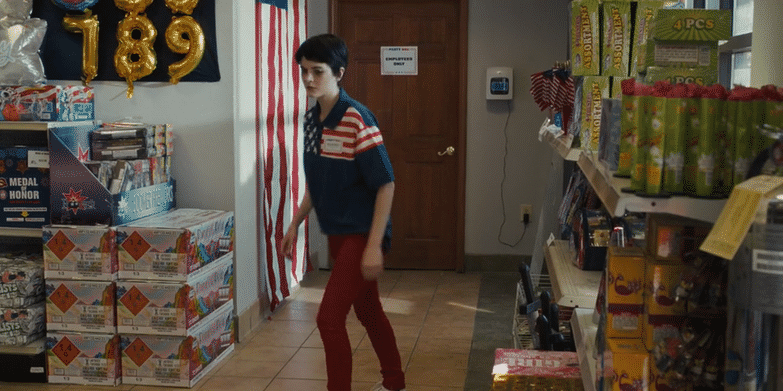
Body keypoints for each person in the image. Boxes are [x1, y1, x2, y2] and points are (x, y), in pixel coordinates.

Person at [280, 34, 406, 391]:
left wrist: (373, 245)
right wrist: (295, 223)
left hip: (361, 233)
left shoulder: (356, 118)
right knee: (368, 311)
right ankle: (394, 383)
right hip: (337, 231)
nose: (308, 79)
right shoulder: (310, 122)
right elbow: (319, 184)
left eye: (317, 71)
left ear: (339, 72)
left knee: (328, 319)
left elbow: (386, 184)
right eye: (303, 71)